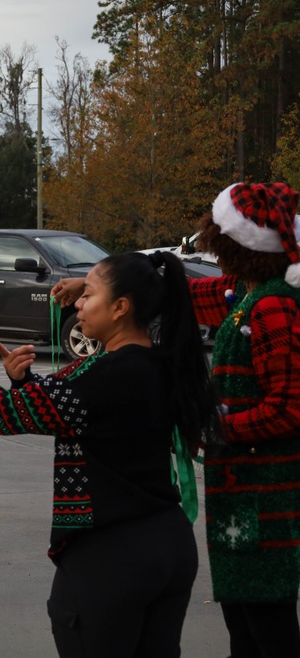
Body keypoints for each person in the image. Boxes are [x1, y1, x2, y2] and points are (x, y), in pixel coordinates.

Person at [0, 251, 220, 657]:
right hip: (168, 545)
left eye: (89, 294)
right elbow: (66, 414)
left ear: (121, 308)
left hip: (112, 556)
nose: (79, 303)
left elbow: (3, 414)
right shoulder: (160, 363)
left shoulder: (106, 374)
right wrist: (25, 381)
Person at [60, 183, 300, 658]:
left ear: (240, 244)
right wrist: (85, 290)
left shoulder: (274, 306)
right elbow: (184, 295)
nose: (211, 249)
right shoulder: (243, 293)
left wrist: (213, 427)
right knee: (243, 621)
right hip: (239, 495)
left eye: (218, 239)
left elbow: (289, 408)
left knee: (268, 625)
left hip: (266, 497)